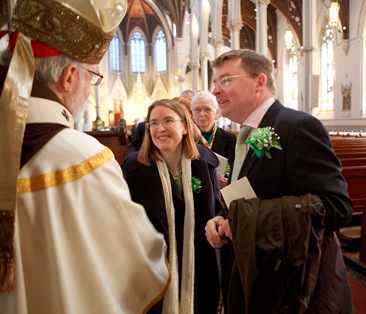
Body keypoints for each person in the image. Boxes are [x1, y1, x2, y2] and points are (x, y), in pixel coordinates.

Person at [0, 0, 169, 313]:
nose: (89, 90)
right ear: (69, 76)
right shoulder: (85, 160)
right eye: (92, 77)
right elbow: (134, 264)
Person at [205, 49, 354, 313]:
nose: (215, 90)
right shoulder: (246, 134)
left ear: (259, 83)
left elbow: (337, 208)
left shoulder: (297, 127)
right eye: (214, 82)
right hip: (257, 274)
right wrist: (223, 217)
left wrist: (242, 222)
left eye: (225, 80)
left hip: (292, 287)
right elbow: (250, 194)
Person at [121, 99, 224, 313]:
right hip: (155, 266)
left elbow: (217, 206)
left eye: (168, 121)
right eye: (154, 123)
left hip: (199, 262)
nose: (160, 129)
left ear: (185, 126)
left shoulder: (204, 161)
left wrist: (220, 220)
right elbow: (124, 222)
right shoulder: (134, 168)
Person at [191, 91, 236, 188]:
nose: (202, 114)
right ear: (192, 114)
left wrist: (228, 182)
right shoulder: (187, 138)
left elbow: (236, 169)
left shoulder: (230, 139)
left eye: (207, 109)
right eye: (197, 110)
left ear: (216, 113)